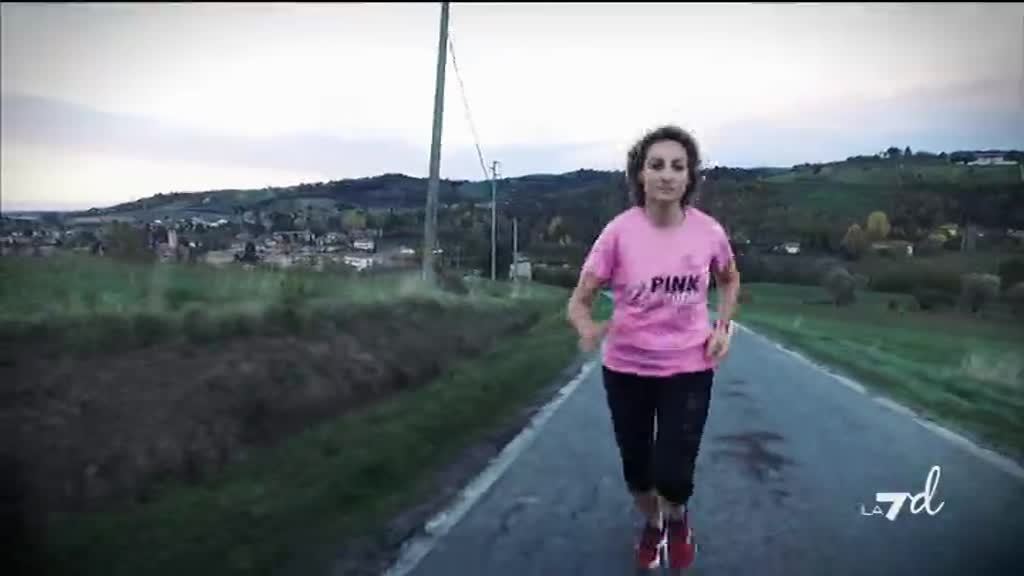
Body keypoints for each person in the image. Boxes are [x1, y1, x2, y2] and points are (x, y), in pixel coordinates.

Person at [566, 125, 740, 571]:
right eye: (656, 165)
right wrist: (586, 328)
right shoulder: (618, 234)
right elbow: (580, 300)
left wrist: (723, 326)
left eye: (678, 166)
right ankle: (653, 523)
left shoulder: (708, 232)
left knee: (674, 474)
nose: (667, 174)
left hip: (690, 366)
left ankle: (677, 518)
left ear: (689, 177)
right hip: (626, 370)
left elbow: (728, 278)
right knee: (638, 473)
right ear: (640, 175)